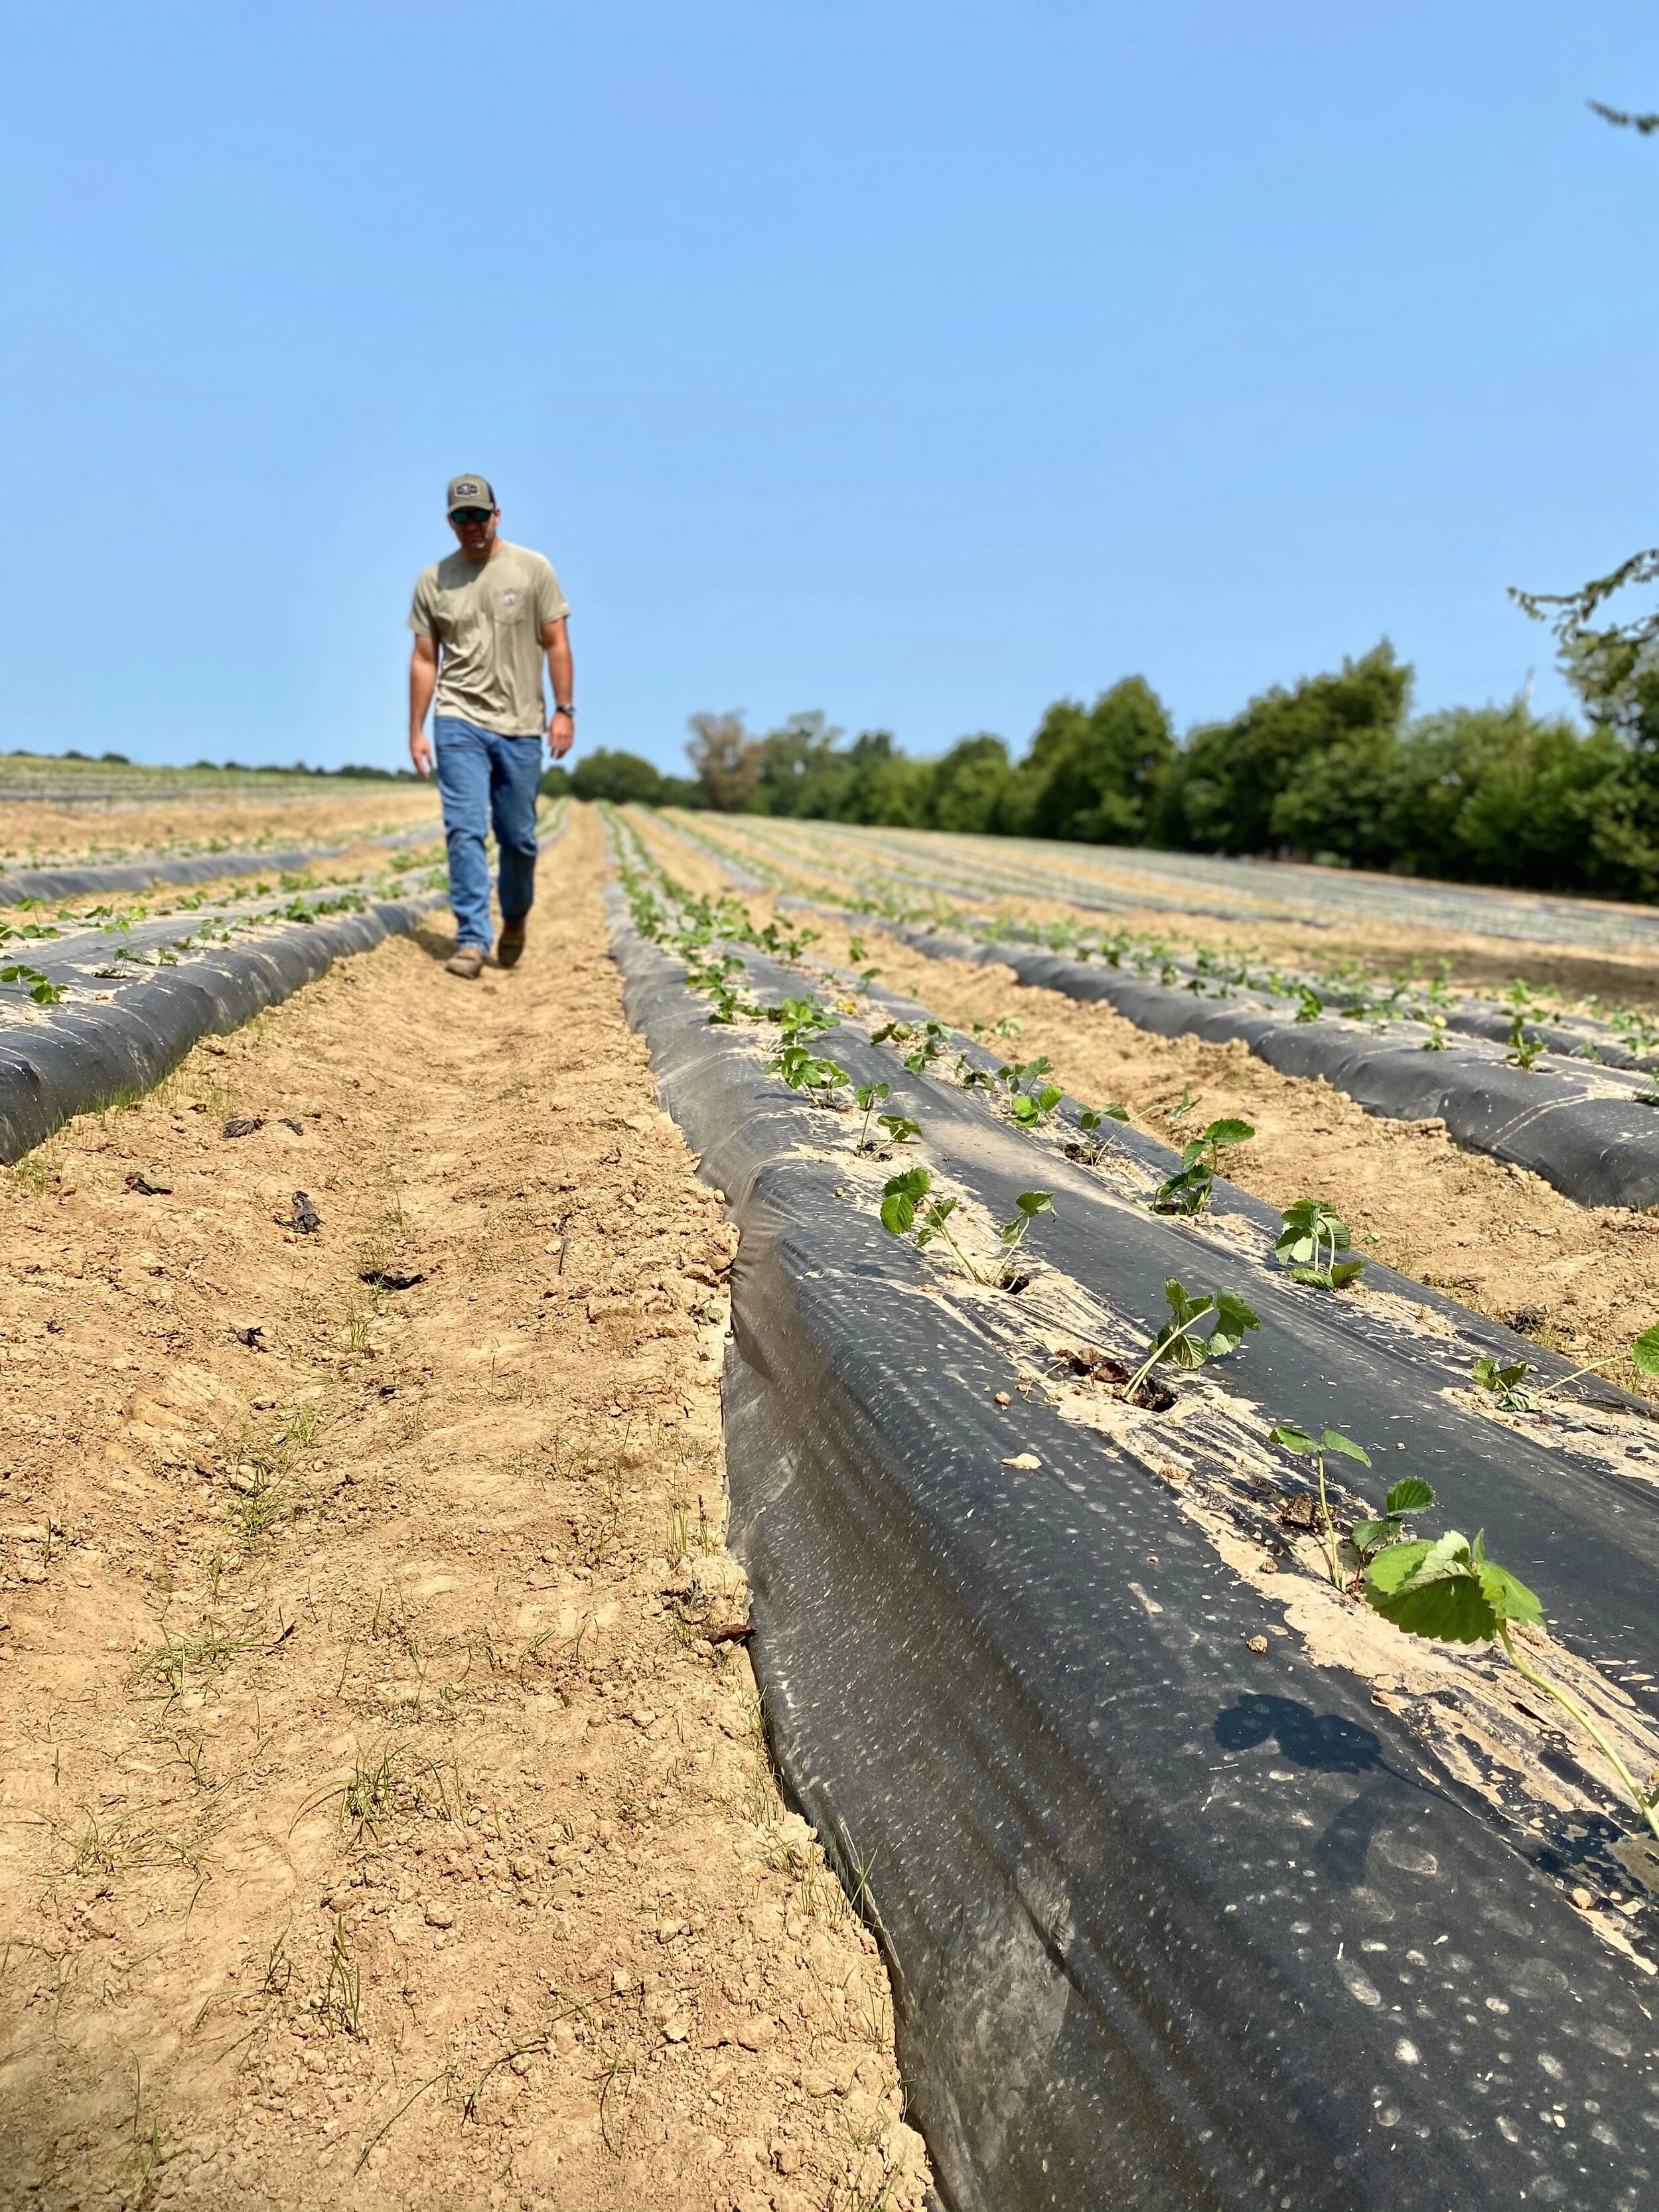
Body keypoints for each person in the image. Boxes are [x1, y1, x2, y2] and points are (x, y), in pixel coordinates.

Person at [407, 475, 575, 978]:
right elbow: (422, 659)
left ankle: (516, 917)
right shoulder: (433, 581)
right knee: (464, 828)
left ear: (497, 515)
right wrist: (416, 728)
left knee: (519, 838)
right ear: (450, 522)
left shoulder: (532, 569)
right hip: (457, 719)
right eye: (462, 517)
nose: (472, 525)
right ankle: (473, 939)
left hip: (522, 724)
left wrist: (564, 711)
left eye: (480, 514)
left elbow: (558, 642)